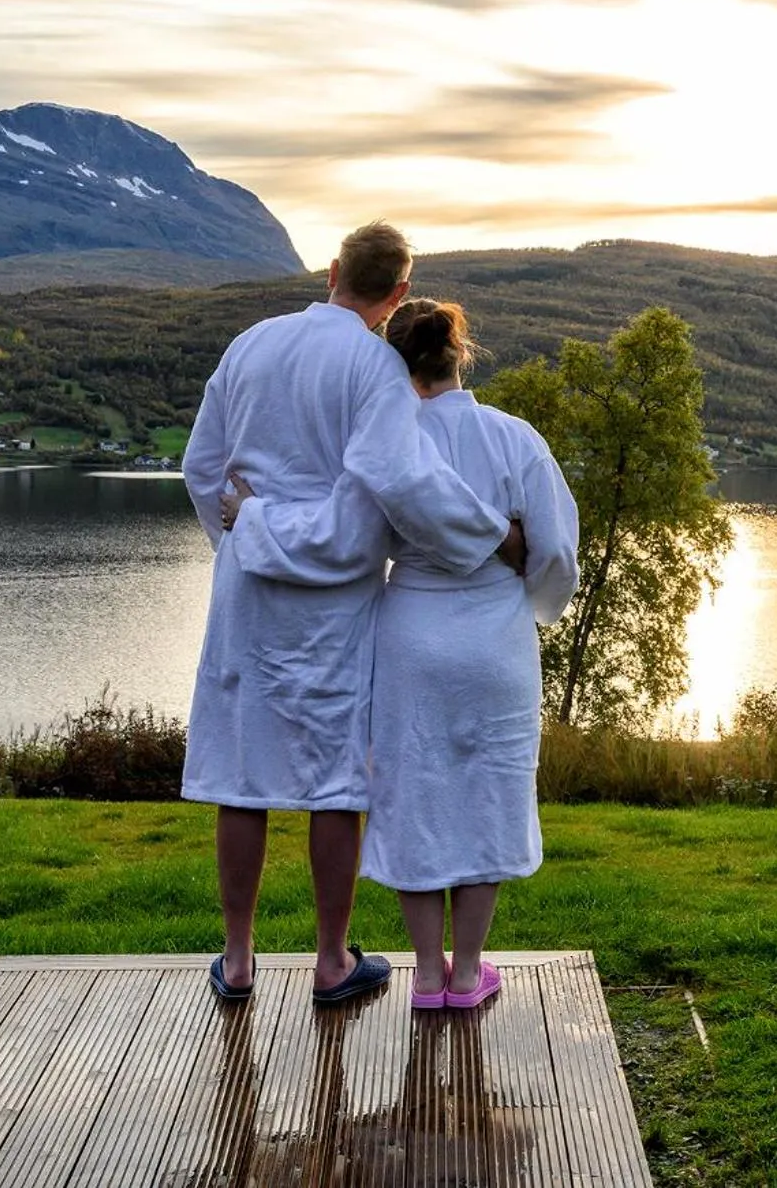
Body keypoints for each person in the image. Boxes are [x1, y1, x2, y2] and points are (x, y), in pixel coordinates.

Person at [181, 222, 525, 1007]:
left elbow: (204, 467)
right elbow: (392, 487)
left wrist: (241, 537)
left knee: (243, 774)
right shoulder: (376, 366)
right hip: (330, 604)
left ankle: (237, 959)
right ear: (398, 293)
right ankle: (331, 960)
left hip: (246, 595)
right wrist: (495, 537)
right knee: (333, 779)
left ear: (332, 270)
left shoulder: (251, 343)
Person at [224, 297, 579, 1009]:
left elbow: (339, 535)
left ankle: (424, 972)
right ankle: (470, 969)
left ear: (394, 361)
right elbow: (557, 553)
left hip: (410, 632)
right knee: (487, 792)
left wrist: (254, 519)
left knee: (414, 790)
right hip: (493, 641)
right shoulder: (515, 438)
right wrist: (523, 578)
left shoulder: (382, 448)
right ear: (459, 354)